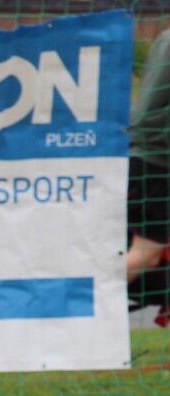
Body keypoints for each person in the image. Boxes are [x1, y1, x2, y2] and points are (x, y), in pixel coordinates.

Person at [127, 28, 170, 287]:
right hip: (157, 162)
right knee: (146, 254)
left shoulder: (165, 37)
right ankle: (77, 305)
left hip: (145, 155)